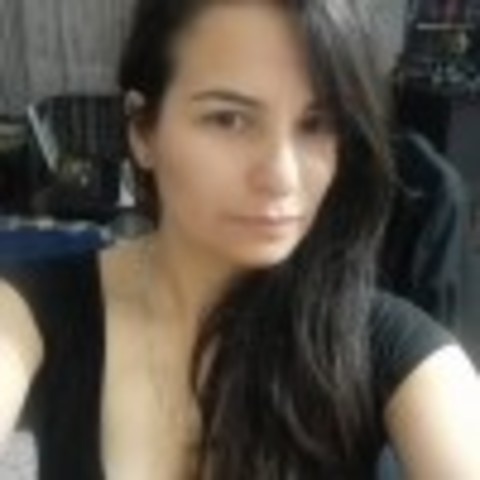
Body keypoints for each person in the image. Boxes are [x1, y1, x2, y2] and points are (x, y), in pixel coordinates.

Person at [1, 0, 480, 479]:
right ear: (143, 130)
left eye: (316, 124)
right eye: (229, 119)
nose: (282, 177)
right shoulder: (28, 311)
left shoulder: (390, 346)